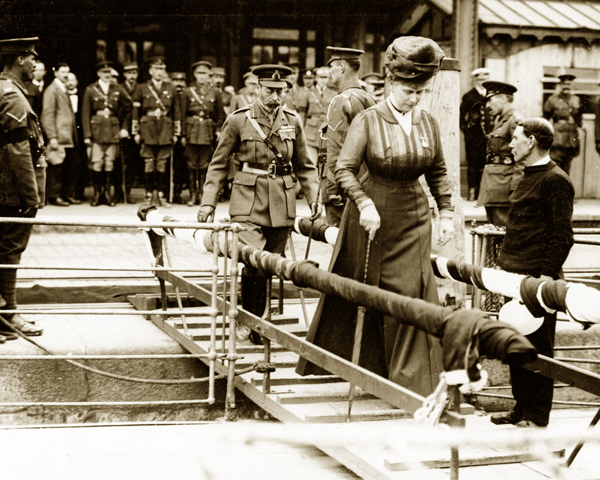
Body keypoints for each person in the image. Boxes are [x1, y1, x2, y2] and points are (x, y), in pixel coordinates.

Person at [296, 36, 454, 398]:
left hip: (413, 215)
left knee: (414, 294)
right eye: (407, 91)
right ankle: (368, 370)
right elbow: (344, 168)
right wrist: (364, 204)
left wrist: (445, 212)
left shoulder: (427, 122)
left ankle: (414, 381)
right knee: (370, 294)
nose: (414, 99)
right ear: (390, 84)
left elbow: (439, 172)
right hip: (372, 215)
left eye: (421, 92)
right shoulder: (368, 119)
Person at [196, 64, 322, 344]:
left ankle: (258, 321)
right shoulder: (239, 120)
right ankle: (249, 322)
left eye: (280, 91)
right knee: (252, 262)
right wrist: (208, 202)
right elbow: (217, 165)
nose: (275, 96)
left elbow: (305, 166)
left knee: (269, 266)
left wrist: (315, 199)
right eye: (269, 90)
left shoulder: (293, 120)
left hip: (282, 201)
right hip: (248, 201)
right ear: (257, 88)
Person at [491, 118, 574, 428]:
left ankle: (537, 415)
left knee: (538, 349)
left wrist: (544, 281)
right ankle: (521, 408)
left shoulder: (555, 179)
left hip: (536, 282)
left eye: (516, 138)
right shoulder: (529, 174)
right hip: (514, 278)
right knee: (516, 343)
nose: (510, 144)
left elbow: (562, 236)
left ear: (532, 142)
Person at [0, 37, 44, 338]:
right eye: (31, 58)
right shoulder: (12, 96)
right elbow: (19, 149)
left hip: (4, 186)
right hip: (13, 190)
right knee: (10, 250)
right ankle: (8, 314)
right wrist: (32, 197)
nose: (35, 64)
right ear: (19, 59)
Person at [323, 46, 376, 227]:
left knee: (339, 242)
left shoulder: (341, 100)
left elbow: (336, 148)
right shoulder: (369, 98)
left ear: (342, 67)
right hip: (365, 182)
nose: (330, 71)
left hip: (343, 186)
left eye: (332, 66)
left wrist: (332, 188)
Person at [131, 56, 181, 206]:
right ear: (151, 71)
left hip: (165, 129)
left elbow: (176, 111)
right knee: (148, 163)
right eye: (157, 69)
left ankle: (161, 195)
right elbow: (136, 112)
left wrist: (176, 132)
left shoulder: (171, 88)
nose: (160, 72)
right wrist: (136, 132)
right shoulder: (141, 88)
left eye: (162, 69)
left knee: (161, 164)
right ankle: (148, 196)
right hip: (148, 129)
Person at [81, 61, 129, 206]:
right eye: (104, 73)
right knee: (97, 163)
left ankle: (108, 194)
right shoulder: (90, 89)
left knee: (109, 163)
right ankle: (97, 194)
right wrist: (87, 135)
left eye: (109, 73)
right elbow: (85, 114)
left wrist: (124, 127)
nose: (107, 75)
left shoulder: (117, 89)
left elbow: (128, 108)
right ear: (98, 74)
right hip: (96, 131)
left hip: (113, 131)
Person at [476, 81, 523, 227]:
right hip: (494, 184)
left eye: (490, 100)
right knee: (493, 228)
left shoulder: (515, 120)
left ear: (502, 99)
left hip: (504, 185)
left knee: (502, 229)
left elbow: (522, 158)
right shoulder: (500, 119)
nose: (488, 105)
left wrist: (515, 187)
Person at [180, 61, 225, 206]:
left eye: (205, 73)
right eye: (199, 73)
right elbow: (182, 114)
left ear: (209, 75)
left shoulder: (215, 92)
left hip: (207, 132)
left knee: (205, 165)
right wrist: (182, 134)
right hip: (192, 131)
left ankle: (203, 196)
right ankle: (194, 195)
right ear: (194, 74)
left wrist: (218, 130)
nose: (202, 77)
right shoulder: (188, 92)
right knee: (192, 165)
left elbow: (219, 115)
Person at [41, 62, 80, 206]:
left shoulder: (62, 88)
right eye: (62, 72)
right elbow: (47, 115)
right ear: (55, 72)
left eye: (67, 72)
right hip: (59, 137)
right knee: (56, 168)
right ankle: (54, 196)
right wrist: (52, 136)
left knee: (71, 166)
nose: (65, 75)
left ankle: (66, 194)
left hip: (67, 136)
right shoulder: (52, 90)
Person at [460, 68, 494, 201]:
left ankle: (483, 192)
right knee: (473, 165)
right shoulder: (469, 96)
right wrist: (468, 134)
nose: (482, 82)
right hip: (474, 138)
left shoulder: (491, 95)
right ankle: (472, 191)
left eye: (485, 79)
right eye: (480, 79)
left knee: (486, 163)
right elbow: (462, 118)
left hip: (489, 136)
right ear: (475, 80)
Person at [543, 74, 581, 176]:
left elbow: (578, 118)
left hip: (571, 137)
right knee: (556, 165)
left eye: (568, 84)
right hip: (558, 137)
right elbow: (545, 117)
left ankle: (564, 190)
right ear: (560, 85)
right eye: (564, 84)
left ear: (573, 85)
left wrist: (583, 125)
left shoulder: (576, 99)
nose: (566, 86)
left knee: (567, 166)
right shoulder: (552, 99)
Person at [118, 61, 141, 204]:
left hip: (137, 132)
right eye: (129, 73)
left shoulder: (142, 88)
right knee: (119, 164)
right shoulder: (119, 88)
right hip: (122, 130)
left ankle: (128, 191)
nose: (131, 76)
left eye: (134, 73)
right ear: (124, 74)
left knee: (133, 164)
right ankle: (119, 192)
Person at [304, 66, 336, 164]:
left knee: (325, 163)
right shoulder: (308, 92)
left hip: (326, 129)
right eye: (320, 77)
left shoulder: (333, 93)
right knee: (311, 162)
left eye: (325, 77)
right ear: (316, 78)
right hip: (311, 130)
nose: (322, 80)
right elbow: (303, 113)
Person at [169, 71, 188, 204]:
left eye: (182, 80)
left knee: (182, 166)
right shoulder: (169, 95)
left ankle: (177, 192)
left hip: (185, 135)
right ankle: (167, 192)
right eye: (175, 80)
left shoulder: (188, 95)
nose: (179, 83)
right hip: (170, 135)